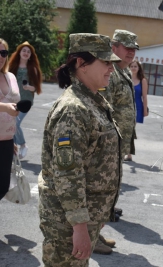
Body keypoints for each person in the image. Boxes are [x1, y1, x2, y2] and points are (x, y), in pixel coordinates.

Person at [38, 33, 122, 266]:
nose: (111, 69)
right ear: (81, 64)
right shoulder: (74, 109)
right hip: (67, 221)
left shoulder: (93, 101)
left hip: (84, 216)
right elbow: (68, 174)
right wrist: (80, 226)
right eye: (105, 62)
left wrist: (99, 214)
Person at [100, 29, 138, 163]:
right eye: (127, 48)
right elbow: (103, 110)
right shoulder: (109, 72)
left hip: (120, 142)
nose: (131, 52)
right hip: (109, 143)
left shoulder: (125, 71)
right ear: (113, 48)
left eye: (134, 48)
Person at [8, 41, 42, 159]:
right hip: (13, 100)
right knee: (10, 124)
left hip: (26, 101)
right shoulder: (12, 66)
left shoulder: (32, 69)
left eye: (28, 51)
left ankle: (23, 145)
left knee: (16, 123)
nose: (26, 53)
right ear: (19, 52)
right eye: (24, 50)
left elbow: (36, 88)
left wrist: (29, 87)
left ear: (31, 55)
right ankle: (13, 148)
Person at [0, 38, 20, 200]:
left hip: (6, 141)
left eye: (3, 53)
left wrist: (11, 139)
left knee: (3, 186)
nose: (0, 56)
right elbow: (7, 106)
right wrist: (5, 107)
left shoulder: (10, 77)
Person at [129, 59, 148, 123]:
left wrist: (145, 110)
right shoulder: (126, 78)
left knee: (134, 127)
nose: (133, 68)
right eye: (131, 66)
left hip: (138, 107)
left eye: (135, 66)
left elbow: (144, 97)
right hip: (126, 106)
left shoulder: (143, 80)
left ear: (139, 68)